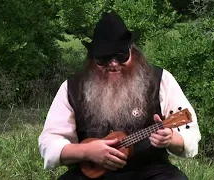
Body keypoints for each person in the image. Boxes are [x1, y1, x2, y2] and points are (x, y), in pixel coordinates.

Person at [38, 10, 201, 180]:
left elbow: (189, 133)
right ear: (93, 58)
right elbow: (49, 141)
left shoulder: (160, 80)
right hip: (92, 173)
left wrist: (171, 139)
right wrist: (86, 151)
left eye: (121, 56)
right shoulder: (72, 87)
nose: (114, 64)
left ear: (132, 51)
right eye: (104, 58)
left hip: (148, 171)